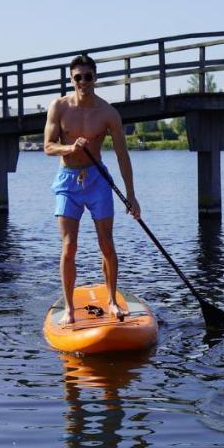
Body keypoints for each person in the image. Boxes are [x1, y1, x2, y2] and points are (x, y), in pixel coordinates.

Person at [44, 54, 140, 326]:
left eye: (88, 77)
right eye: (78, 77)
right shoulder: (59, 107)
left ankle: (111, 299)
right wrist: (69, 148)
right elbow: (48, 147)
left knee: (106, 243)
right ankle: (69, 309)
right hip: (68, 182)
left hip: (98, 180)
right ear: (71, 79)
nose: (83, 82)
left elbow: (122, 155)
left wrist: (131, 195)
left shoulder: (108, 113)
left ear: (95, 78)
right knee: (69, 247)